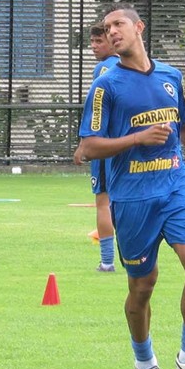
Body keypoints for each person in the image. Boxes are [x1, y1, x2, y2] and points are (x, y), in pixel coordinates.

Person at [77, 3, 185, 369]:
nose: (111, 32)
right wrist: (138, 138)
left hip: (176, 183)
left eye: (118, 24)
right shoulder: (105, 86)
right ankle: (146, 364)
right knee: (143, 285)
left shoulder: (171, 75)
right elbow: (88, 147)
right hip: (133, 196)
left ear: (138, 27)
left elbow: (183, 125)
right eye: (107, 29)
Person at [74, 22, 120, 272]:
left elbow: (96, 110)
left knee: (103, 202)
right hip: (127, 146)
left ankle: (107, 262)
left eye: (99, 41)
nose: (93, 46)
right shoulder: (131, 65)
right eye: (91, 42)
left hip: (105, 147)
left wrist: (84, 144)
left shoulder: (103, 68)